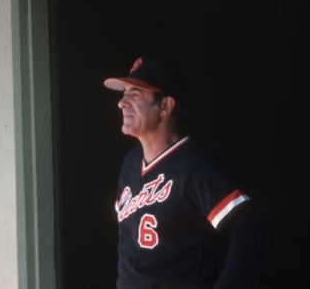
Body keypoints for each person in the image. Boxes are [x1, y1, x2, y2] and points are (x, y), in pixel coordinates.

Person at [103, 55, 268, 289]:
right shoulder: (130, 163)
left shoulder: (194, 165)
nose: (122, 102)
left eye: (135, 94)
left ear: (165, 106)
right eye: (124, 92)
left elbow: (251, 229)